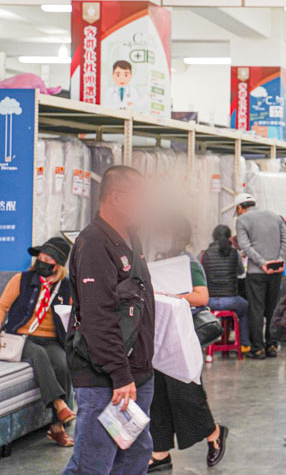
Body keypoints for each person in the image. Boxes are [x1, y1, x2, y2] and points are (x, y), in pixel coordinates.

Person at [64, 166, 156, 475]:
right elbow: (97, 317)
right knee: (93, 463)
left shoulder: (130, 236)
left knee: (133, 457)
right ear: (116, 198)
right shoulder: (94, 244)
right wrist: (120, 374)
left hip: (136, 373)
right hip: (107, 378)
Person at [148, 216, 228, 472]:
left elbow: (202, 297)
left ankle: (214, 432)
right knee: (158, 393)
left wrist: (170, 295)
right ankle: (160, 451)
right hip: (159, 335)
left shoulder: (188, 263)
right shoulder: (156, 261)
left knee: (186, 391)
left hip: (182, 334)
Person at [0, 237, 74, 447]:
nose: (42, 261)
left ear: (57, 265)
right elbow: (2, 306)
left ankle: (56, 427)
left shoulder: (66, 286)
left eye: (48, 259)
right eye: (40, 257)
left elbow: (71, 315)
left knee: (62, 364)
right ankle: (59, 404)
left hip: (51, 339)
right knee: (38, 354)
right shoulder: (21, 279)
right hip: (21, 337)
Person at [235, 192, 286, 359]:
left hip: (256, 273)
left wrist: (262, 263)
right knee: (273, 308)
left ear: (240, 207)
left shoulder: (242, 220)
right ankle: (272, 346)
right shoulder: (275, 217)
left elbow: (245, 246)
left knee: (256, 310)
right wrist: (279, 260)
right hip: (276, 272)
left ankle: (258, 348)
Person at [202, 225, 250, 353]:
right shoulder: (234, 253)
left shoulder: (204, 253)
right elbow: (241, 272)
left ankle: (205, 344)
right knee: (245, 307)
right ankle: (244, 344)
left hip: (210, 301)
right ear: (229, 237)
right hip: (231, 300)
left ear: (213, 237)